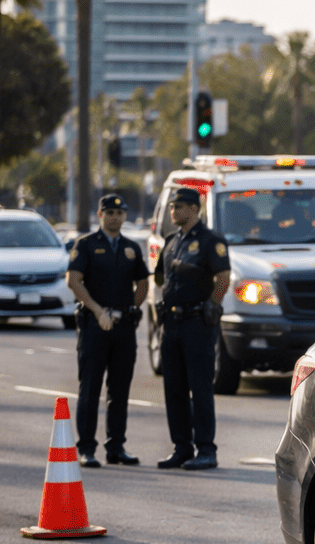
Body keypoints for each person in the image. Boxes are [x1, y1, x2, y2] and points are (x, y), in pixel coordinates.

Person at [66, 194, 150, 468]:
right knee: (90, 388)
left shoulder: (131, 247)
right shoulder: (87, 244)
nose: (115, 217)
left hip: (123, 327)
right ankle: (87, 448)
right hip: (94, 325)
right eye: (109, 212)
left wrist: (133, 308)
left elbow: (143, 283)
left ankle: (116, 446)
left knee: (120, 389)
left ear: (125, 216)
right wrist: (96, 310)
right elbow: (74, 280)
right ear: (100, 215)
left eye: (119, 212)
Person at [154, 187, 230, 471]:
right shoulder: (171, 241)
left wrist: (212, 304)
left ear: (194, 210)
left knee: (200, 388)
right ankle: (182, 447)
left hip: (197, 321)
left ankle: (206, 449)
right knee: (173, 388)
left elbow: (223, 277)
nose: (173, 212)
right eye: (172, 207)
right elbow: (160, 277)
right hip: (171, 322)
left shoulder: (211, 241)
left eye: (179, 207)